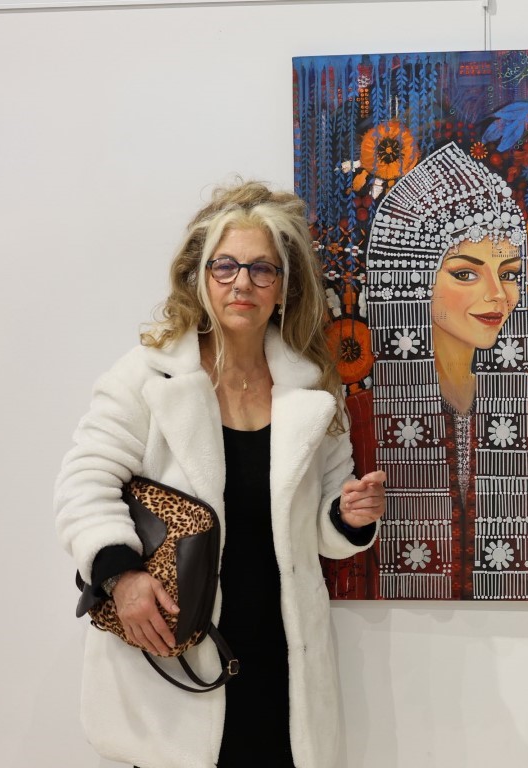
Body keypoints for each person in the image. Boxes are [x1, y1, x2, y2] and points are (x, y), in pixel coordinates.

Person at [54, 181, 386, 768]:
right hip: (176, 647)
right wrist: (121, 577)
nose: (242, 283)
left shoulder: (311, 388)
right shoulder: (148, 376)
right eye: (225, 266)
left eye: (262, 269)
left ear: (284, 286)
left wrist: (349, 516)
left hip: (282, 655)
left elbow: (322, 533)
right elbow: (84, 481)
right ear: (201, 276)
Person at [326, 142, 528, 600]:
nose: (498, 295)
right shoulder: (359, 418)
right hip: (390, 633)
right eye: (466, 274)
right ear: (414, 279)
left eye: (509, 273)